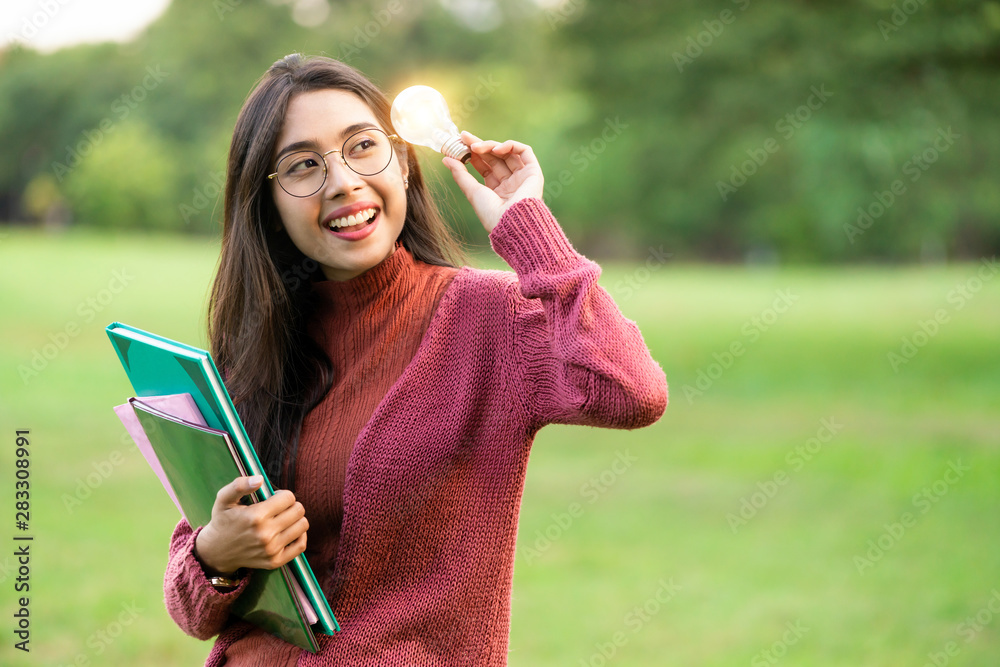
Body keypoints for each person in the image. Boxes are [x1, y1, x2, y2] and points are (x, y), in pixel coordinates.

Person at [163, 52, 668, 666]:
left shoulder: (487, 319)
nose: (344, 181)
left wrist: (533, 235)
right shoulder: (256, 352)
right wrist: (215, 553)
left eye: (363, 147)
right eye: (302, 166)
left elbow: (631, 392)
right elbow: (193, 611)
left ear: (403, 162)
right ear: (268, 203)